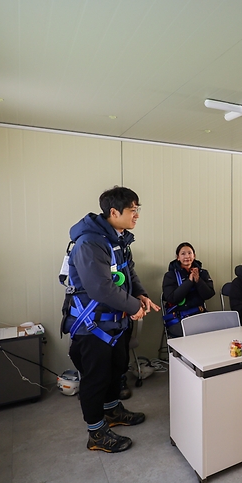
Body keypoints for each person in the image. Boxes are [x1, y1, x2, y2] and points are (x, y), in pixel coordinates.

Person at [62, 187, 159, 453]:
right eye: (132, 210)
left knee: (116, 370)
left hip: (116, 323)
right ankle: (96, 433)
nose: (137, 215)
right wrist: (133, 307)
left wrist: (141, 296)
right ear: (114, 212)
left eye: (138, 209)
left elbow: (130, 272)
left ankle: (112, 411)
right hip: (93, 325)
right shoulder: (90, 243)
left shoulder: (120, 240)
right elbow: (100, 288)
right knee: (96, 379)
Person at [161, 242, 215, 339]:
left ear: (194, 256)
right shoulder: (170, 276)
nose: (187, 256)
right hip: (178, 318)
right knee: (193, 333)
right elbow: (172, 298)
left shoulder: (202, 273)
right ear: (178, 257)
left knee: (218, 327)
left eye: (190, 253)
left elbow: (208, 294)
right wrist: (189, 281)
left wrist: (198, 280)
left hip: (199, 314)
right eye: (183, 254)